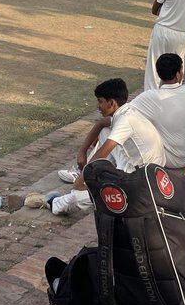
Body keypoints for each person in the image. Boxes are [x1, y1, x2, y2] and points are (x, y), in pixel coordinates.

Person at [49, 78, 164, 216]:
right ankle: (96, 177)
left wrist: (81, 180)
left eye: (100, 101)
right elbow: (102, 124)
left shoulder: (125, 120)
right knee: (104, 132)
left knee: (78, 198)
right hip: (146, 168)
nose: (98, 106)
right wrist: (82, 151)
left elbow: (101, 154)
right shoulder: (127, 111)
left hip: (141, 181)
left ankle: (56, 203)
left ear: (111, 103)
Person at [127, 54, 185, 169]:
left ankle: (124, 168)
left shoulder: (151, 96)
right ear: (177, 75)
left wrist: (101, 126)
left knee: (126, 124)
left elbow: (121, 113)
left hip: (173, 159)